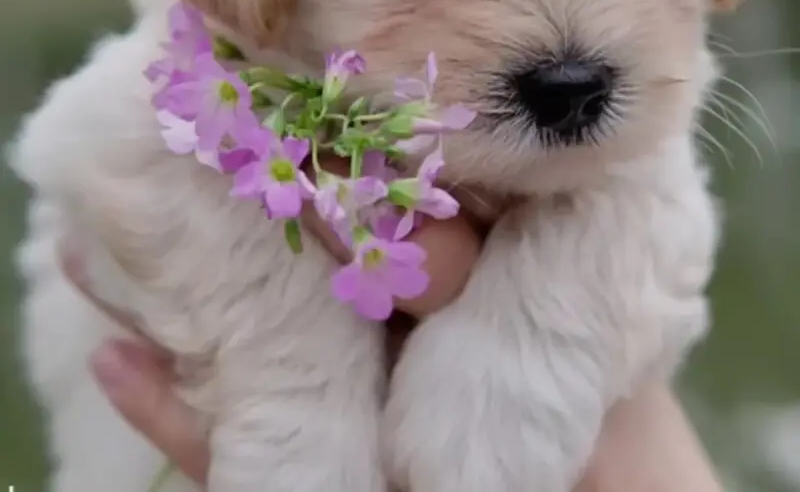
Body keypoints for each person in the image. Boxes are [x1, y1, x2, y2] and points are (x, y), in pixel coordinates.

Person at [59, 158, 724, 492]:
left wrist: (547, 348)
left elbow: (656, 187)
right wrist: (296, 399)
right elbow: (89, 151)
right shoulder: (199, 66)